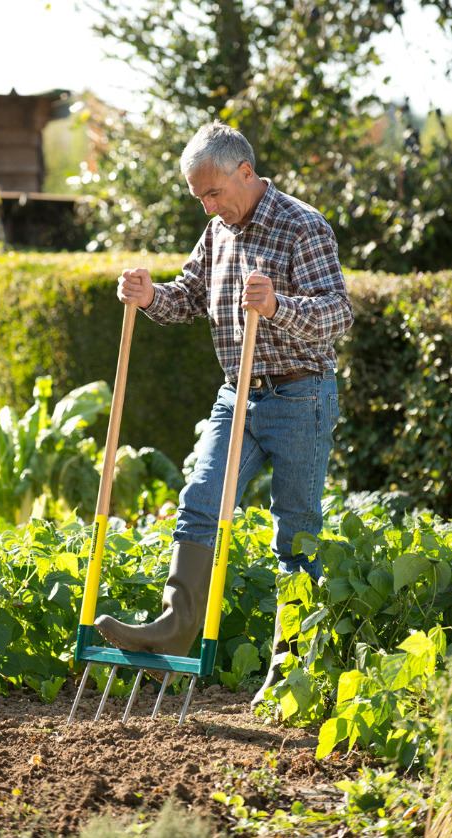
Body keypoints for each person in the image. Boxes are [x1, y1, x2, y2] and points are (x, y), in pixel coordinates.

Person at [94, 120, 353, 709]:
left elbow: (338, 313)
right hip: (236, 395)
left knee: (297, 532)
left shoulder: (302, 226)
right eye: (201, 198)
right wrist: (148, 294)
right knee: (200, 500)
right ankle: (173, 630)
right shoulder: (218, 232)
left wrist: (279, 305)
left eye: (214, 193)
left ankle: (294, 671)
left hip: (300, 397)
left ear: (245, 172)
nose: (210, 207)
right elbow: (187, 296)